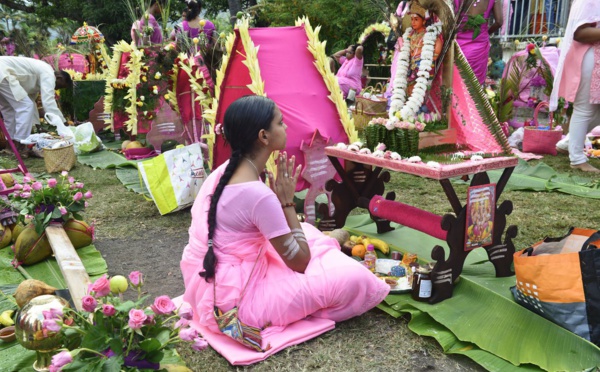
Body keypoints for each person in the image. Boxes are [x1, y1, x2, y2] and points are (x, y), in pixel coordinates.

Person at [180, 96, 389, 342]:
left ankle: (330, 244)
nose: (286, 127)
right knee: (354, 278)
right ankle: (328, 254)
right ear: (263, 136)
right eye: (280, 122)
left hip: (211, 281)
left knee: (309, 232)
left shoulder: (225, 171)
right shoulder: (256, 193)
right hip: (239, 302)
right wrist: (287, 203)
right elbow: (299, 263)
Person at [550, 0, 600, 173]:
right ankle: (577, 159)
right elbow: (580, 32)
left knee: (596, 111)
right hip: (589, 58)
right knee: (585, 109)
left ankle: (567, 143)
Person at [0, 57, 71, 157]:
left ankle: (10, 147)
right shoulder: (49, 74)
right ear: (59, 78)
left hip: (3, 74)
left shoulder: (37, 79)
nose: (56, 89)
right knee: (25, 106)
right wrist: (63, 122)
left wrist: (38, 126)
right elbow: (48, 102)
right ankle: (21, 145)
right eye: (59, 86)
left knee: (10, 110)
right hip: (3, 72)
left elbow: (32, 103)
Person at [454, 0, 503, 85]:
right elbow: (499, 22)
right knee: (475, 86)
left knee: (457, 82)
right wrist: (486, 32)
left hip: (459, 44)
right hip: (479, 45)